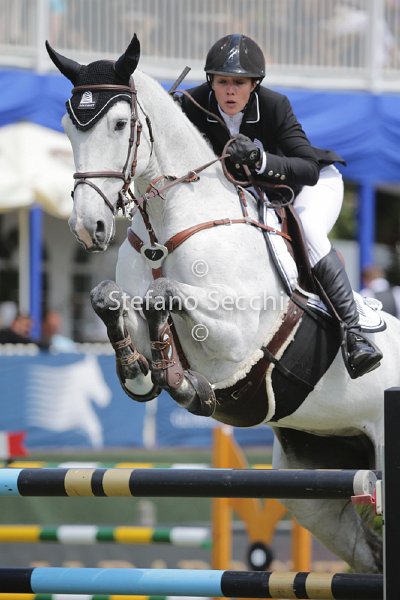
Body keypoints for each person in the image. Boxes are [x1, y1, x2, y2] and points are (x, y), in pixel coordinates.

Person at [176, 33, 382, 379]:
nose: (230, 91)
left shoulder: (274, 105)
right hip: (259, 197)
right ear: (211, 81)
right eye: (222, 82)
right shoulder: (193, 103)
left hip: (309, 187)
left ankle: (354, 334)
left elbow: (307, 169)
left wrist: (260, 159)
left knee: (310, 230)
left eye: (239, 83)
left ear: (254, 84)